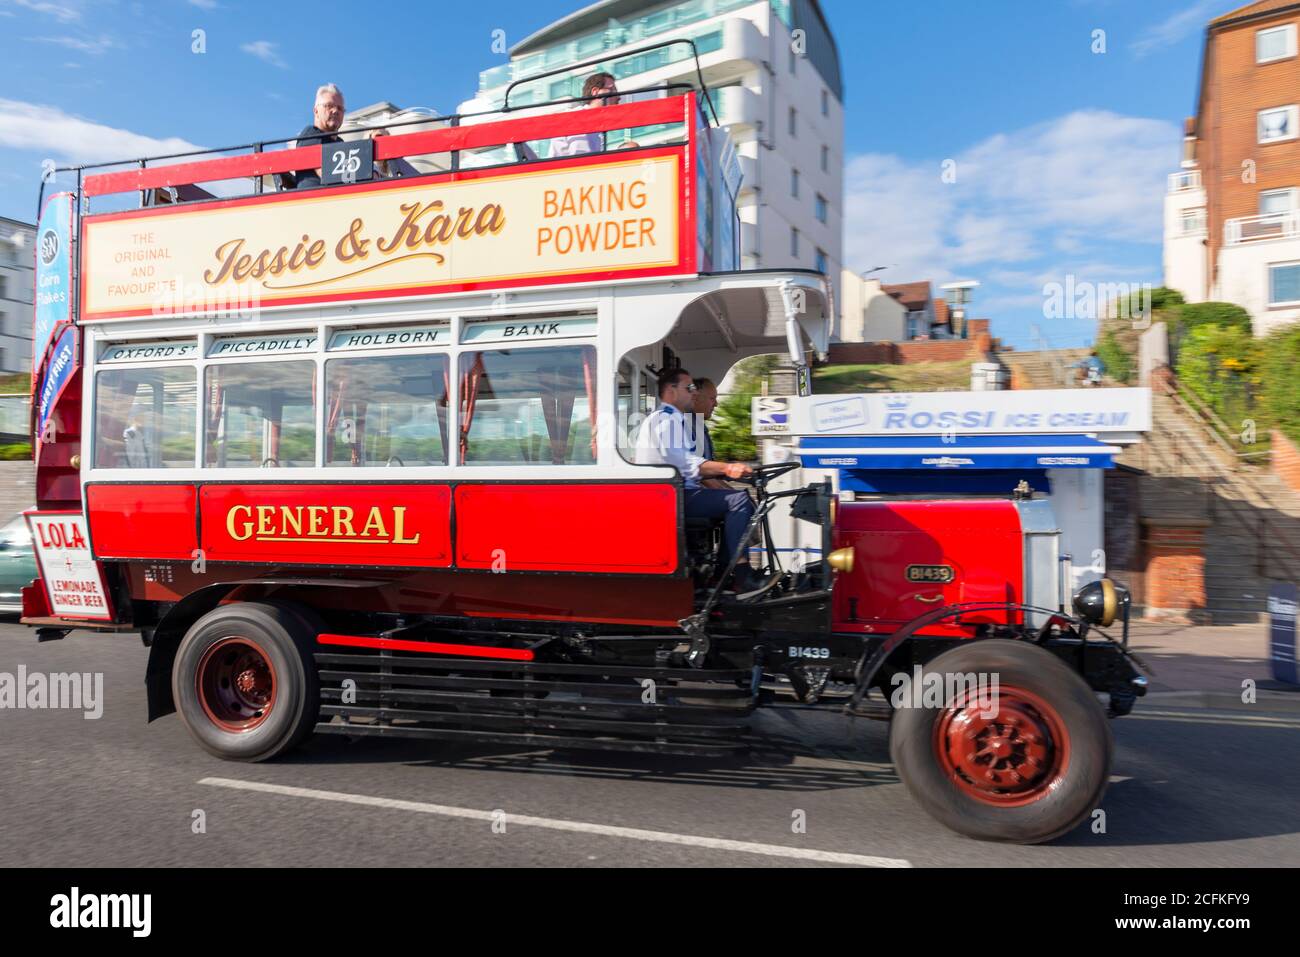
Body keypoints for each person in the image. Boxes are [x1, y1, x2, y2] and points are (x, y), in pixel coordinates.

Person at [634, 368, 760, 591]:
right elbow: (685, 463)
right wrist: (728, 468)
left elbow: (690, 463)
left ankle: (724, 574)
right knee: (739, 501)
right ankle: (739, 575)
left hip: (678, 494)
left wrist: (725, 471)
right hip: (671, 498)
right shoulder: (665, 420)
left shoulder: (674, 419)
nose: (693, 393)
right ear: (672, 391)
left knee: (739, 499)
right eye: (689, 388)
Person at [292, 84, 389, 189]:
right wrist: (370, 174)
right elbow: (329, 174)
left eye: (340, 108)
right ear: (316, 111)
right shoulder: (311, 134)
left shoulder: (340, 142)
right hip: (317, 199)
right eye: (329, 106)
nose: (335, 111)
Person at [549, 72, 639, 157]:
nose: (618, 97)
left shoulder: (596, 125)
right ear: (595, 92)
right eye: (612, 91)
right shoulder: (575, 118)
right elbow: (582, 159)